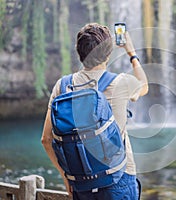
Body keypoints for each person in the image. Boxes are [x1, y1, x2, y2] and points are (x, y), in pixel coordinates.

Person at [41, 23, 148, 200]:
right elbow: (144, 85)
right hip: (119, 179)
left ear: (79, 51)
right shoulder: (121, 83)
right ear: (108, 54)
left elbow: (46, 140)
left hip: (81, 184)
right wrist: (132, 53)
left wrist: (66, 177)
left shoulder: (62, 86)